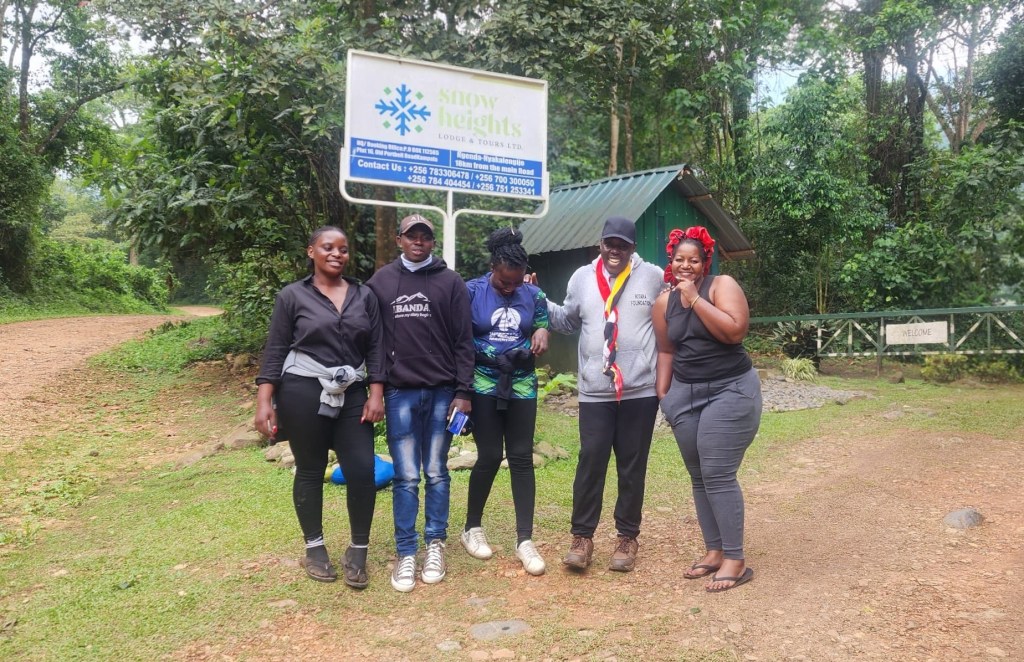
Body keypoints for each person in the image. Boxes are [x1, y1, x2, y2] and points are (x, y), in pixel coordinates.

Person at [254, 226, 385, 588]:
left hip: (352, 392)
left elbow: (376, 347)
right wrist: (264, 400)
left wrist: (376, 393)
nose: (337, 254)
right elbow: (276, 350)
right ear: (311, 251)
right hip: (302, 391)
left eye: (343, 249)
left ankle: (358, 551)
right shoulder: (292, 296)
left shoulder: (364, 295)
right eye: (328, 247)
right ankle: (314, 549)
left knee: (362, 470)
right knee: (311, 470)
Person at [545, 216, 664, 572]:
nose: (615, 250)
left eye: (622, 245)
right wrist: (537, 300)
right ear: (600, 244)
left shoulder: (653, 277)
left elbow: (672, 314)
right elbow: (568, 321)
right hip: (596, 391)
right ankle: (582, 537)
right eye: (610, 243)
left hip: (639, 391)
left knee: (632, 465)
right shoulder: (582, 278)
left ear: (632, 248)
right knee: (591, 461)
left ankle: (627, 537)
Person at [366, 214, 474, 593]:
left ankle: (435, 544)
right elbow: (373, 341)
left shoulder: (451, 282)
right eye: (411, 236)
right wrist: (376, 388)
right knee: (407, 475)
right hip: (400, 392)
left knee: (437, 471)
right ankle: (406, 551)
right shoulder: (381, 282)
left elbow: (464, 341)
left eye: (425, 237)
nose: (418, 242)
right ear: (399, 240)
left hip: (444, 391)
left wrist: (464, 392)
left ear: (432, 242)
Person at [652, 226, 762, 592]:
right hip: (685, 394)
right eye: (679, 260)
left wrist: (695, 299)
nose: (686, 266)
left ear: (705, 263)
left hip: (731, 389)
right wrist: (664, 395)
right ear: (671, 261)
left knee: (717, 472)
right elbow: (666, 350)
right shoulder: (662, 303)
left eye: (694, 260)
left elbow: (735, 331)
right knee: (699, 475)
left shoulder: (720, 286)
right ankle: (715, 551)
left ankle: (736, 559)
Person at [460, 227, 550, 576]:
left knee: (521, 457)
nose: (511, 287)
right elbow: (460, 338)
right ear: (492, 269)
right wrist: (490, 356)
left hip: (522, 384)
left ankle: (525, 539)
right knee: (488, 455)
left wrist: (541, 332)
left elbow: (541, 323)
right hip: (484, 383)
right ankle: (471, 527)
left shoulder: (534, 294)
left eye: (516, 282)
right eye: (503, 282)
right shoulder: (471, 291)